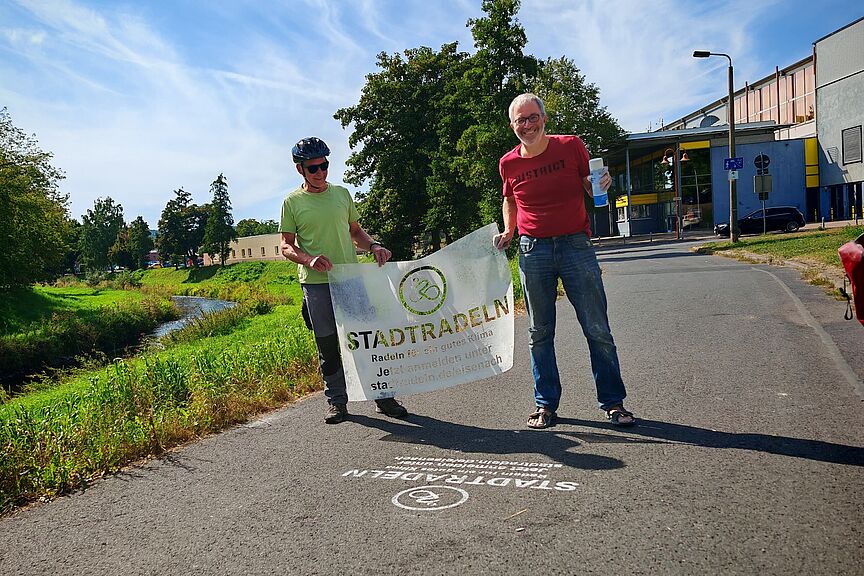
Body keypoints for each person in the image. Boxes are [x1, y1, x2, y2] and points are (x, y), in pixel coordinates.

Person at [493, 93, 636, 429]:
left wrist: (599, 184)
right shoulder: (508, 162)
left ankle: (613, 403)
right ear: (512, 125)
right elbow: (510, 200)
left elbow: (591, 187)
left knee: (597, 329)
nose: (526, 125)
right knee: (539, 332)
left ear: (544, 118)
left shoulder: (571, 146)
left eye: (532, 118)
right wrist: (509, 230)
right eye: (520, 120)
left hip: (575, 246)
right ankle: (545, 405)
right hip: (533, 250)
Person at [279, 137, 408, 424]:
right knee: (327, 344)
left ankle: (383, 397)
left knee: (366, 340)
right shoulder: (292, 203)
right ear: (300, 170)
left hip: (349, 278)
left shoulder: (341, 194)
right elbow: (286, 246)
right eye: (314, 168)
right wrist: (308, 259)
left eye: (325, 165)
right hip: (316, 282)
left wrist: (373, 245)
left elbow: (355, 231)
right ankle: (337, 402)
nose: (321, 172)